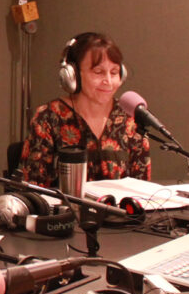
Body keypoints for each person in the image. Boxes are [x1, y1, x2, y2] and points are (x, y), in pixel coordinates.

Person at [19, 32, 152, 187]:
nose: (108, 81)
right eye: (98, 72)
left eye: (114, 72)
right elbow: (33, 187)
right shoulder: (48, 118)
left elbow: (142, 189)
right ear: (73, 75)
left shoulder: (130, 119)